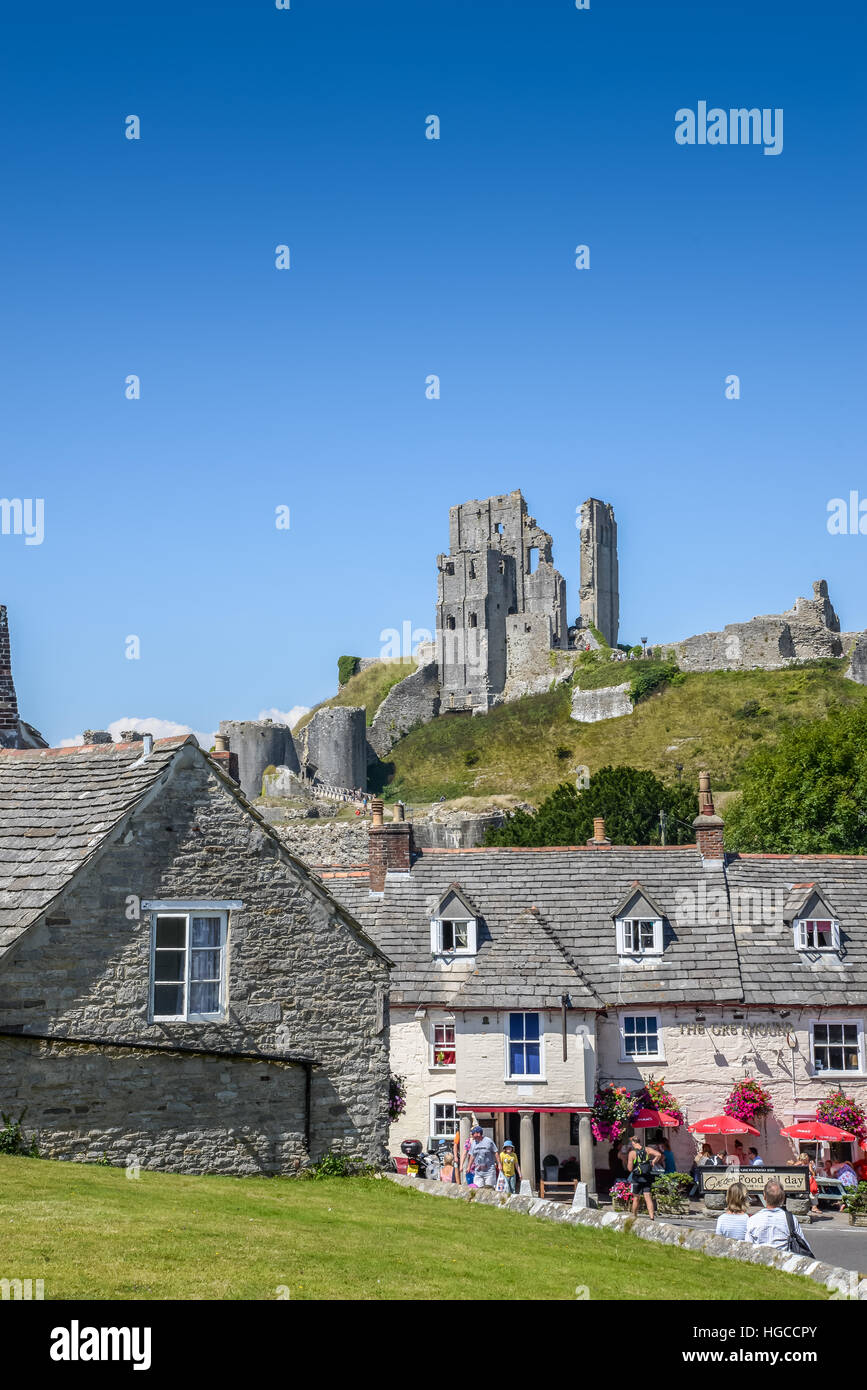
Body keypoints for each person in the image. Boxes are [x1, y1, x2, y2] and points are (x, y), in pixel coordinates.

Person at [746, 1180, 814, 1254]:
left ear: (764, 1196)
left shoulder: (753, 1220)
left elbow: (748, 1246)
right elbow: (803, 1243)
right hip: (784, 1260)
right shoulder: (790, 1219)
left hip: (759, 1260)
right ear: (782, 1198)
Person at [627, 1136, 661, 1219]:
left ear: (633, 1142)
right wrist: (653, 1161)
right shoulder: (647, 1149)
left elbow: (630, 1168)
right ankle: (652, 1217)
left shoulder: (632, 1153)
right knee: (648, 1197)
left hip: (637, 1178)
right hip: (647, 1177)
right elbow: (658, 1154)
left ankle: (634, 1216)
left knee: (636, 1198)